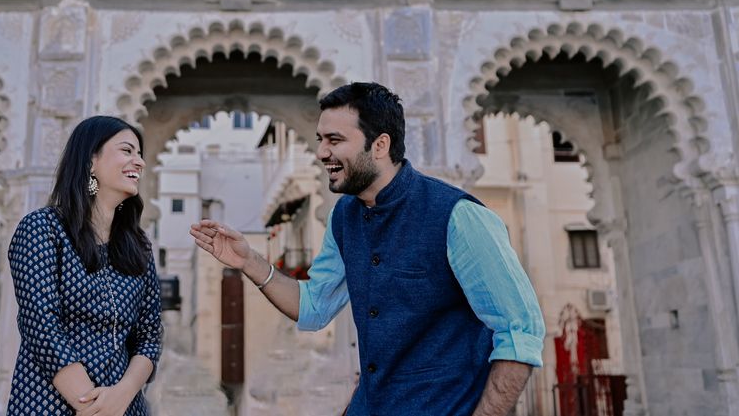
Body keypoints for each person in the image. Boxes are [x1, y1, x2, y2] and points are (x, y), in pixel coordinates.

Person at [191, 83, 545, 416]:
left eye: (334, 139)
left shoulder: (457, 216)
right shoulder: (343, 216)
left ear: (379, 145)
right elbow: (314, 307)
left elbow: (520, 331)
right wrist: (249, 261)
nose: (321, 152)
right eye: (320, 139)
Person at [8, 116, 162, 416]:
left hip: (124, 407)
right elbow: (41, 323)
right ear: (91, 160)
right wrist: (91, 405)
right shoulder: (42, 229)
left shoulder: (138, 246)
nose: (139, 162)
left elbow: (150, 335)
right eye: (127, 150)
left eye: (140, 154)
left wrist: (122, 395)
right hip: (50, 403)